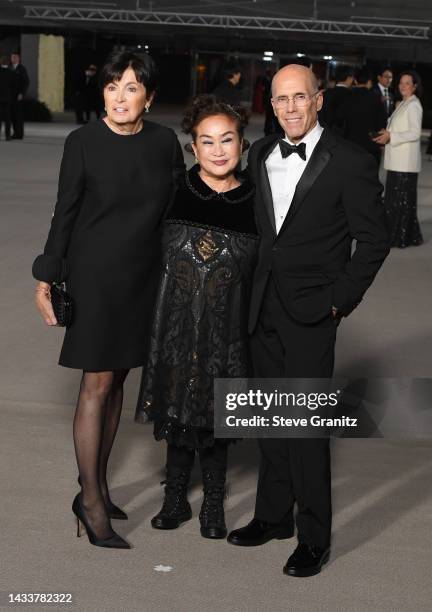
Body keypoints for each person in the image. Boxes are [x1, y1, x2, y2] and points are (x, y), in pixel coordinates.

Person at [227, 65, 390, 577]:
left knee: (303, 426)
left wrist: (340, 300)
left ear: (318, 100)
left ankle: (314, 535)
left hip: (314, 311)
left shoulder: (350, 161)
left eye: (301, 97)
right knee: (269, 418)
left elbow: (375, 239)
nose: (291, 108)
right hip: (261, 306)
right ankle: (272, 517)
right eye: (281, 100)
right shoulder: (259, 154)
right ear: (270, 106)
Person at [32, 51, 184, 549]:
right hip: (94, 278)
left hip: (143, 278)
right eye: (113, 85)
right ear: (103, 92)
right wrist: (47, 277)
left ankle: (94, 482)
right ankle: (92, 500)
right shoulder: (83, 142)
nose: (120, 96)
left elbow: (177, 209)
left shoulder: (164, 144)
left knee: (118, 377)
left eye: (132, 87)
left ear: (150, 98)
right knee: (97, 382)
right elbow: (65, 211)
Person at [135, 95, 258, 539]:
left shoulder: (256, 201)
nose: (218, 150)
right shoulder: (174, 192)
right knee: (176, 404)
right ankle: (175, 498)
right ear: (194, 148)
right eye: (207, 142)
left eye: (227, 140)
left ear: (243, 143)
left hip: (229, 330)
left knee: (217, 412)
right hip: (175, 324)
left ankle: (212, 501)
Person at [374, 71, 424, 247]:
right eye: (401, 82)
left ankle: (400, 237)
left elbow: (415, 132)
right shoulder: (404, 103)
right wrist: (385, 135)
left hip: (405, 164)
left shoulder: (414, 105)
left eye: (407, 83)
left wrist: (391, 136)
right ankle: (404, 235)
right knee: (396, 201)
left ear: (415, 86)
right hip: (398, 161)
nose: (403, 86)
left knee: (399, 202)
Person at [338, 68, 386, 163]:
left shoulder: (346, 97)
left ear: (355, 81)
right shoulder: (376, 98)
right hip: (370, 147)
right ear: (369, 82)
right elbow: (381, 123)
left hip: (350, 145)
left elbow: (340, 120)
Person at [318, 64, 354, 134]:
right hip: (346, 137)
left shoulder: (325, 94)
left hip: (326, 134)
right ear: (349, 78)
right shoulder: (352, 95)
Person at [9, 52, 29, 140]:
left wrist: (22, 93)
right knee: (12, 116)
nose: (13, 59)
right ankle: (15, 133)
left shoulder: (22, 69)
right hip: (11, 96)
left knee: (19, 116)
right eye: (12, 57)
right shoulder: (10, 68)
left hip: (19, 96)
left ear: (18, 58)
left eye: (15, 57)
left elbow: (26, 82)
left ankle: (20, 134)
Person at [0, 56, 14, 141]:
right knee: (7, 118)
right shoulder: (11, 73)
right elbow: (14, 86)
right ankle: (7, 136)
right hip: (8, 98)